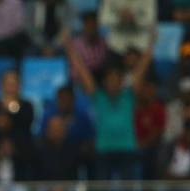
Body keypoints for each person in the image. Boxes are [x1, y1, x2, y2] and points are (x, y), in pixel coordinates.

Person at [65, 32, 153, 180]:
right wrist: (70, 48)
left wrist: (151, 45)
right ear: (104, 82)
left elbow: (141, 69)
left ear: (121, 82)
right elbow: (82, 70)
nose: (112, 83)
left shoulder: (129, 96)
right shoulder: (98, 97)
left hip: (127, 149)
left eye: (116, 79)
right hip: (104, 151)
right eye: (109, 80)